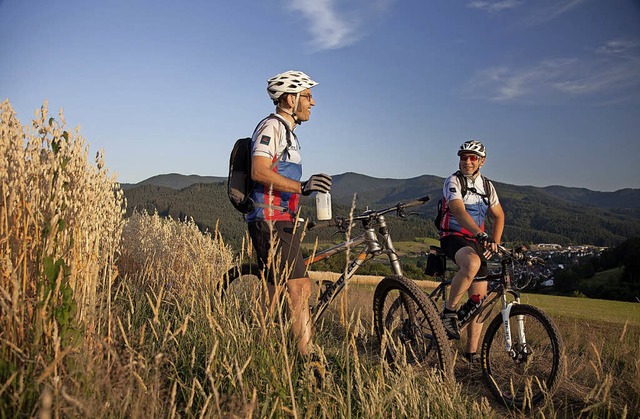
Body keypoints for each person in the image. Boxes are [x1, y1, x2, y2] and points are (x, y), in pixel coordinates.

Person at [246, 70, 331, 359]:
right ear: (290, 99)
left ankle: (254, 348)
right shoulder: (272, 127)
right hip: (269, 219)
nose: (313, 103)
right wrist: (302, 186)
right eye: (308, 96)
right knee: (300, 287)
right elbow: (259, 170)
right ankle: (308, 360)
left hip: (281, 218)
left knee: (274, 290)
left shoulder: (289, 134)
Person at [437, 139, 505, 362]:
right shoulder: (453, 181)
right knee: (472, 264)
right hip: (453, 237)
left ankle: (471, 355)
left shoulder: (487, 186)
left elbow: (499, 215)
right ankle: (448, 312)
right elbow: (457, 211)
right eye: (463, 157)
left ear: (482, 162)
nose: (467, 161)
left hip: (477, 241)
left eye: (472, 157)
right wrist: (480, 234)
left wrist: (494, 243)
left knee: (478, 301)